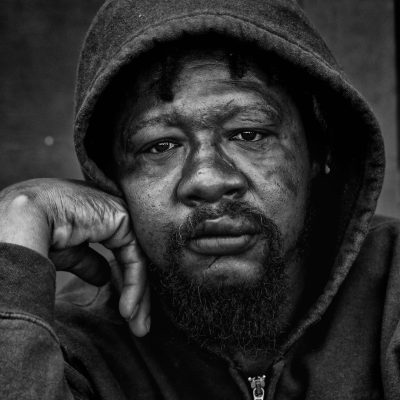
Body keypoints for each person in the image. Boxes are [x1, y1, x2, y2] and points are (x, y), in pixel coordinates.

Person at [0, 0, 398, 399]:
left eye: (249, 133)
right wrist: (16, 231)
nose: (207, 180)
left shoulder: (393, 294)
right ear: (111, 180)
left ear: (319, 151)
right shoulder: (63, 348)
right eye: (160, 145)